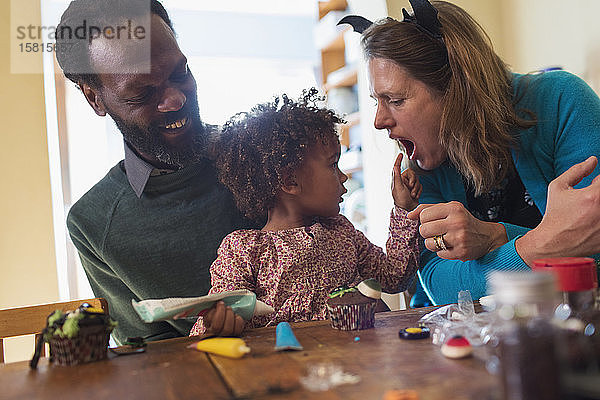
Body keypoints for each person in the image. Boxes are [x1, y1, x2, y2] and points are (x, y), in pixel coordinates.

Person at [351, 0, 600, 305]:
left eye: (396, 100)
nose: (379, 121)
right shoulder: (420, 166)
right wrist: (541, 244)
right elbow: (439, 285)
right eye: (377, 100)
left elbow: (591, 245)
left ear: (458, 85)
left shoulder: (561, 101)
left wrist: (496, 237)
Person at [55, 0, 251, 344]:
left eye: (180, 73)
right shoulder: (95, 224)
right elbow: (146, 357)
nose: (175, 99)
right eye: (144, 91)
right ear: (95, 99)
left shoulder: (259, 155)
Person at [189, 90, 421, 337]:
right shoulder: (244, 250)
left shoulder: (341, 231)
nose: (344, 176)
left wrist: (404, 209)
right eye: (333, 164)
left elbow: (395, 277)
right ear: (290, 181)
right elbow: (216, 317)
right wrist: (218, 322)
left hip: (356, 365)